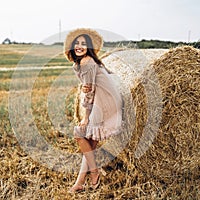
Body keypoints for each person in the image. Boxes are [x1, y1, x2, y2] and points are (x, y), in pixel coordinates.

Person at [64, 28, 123, 193]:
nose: (80, 46)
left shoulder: (87, 62)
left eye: (84, 44)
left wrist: (86, 116)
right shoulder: (86, 62)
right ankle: (81, 182)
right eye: (77, 43)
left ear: (88, 48)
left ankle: (94, 171)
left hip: (103, 101)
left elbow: (89, 90)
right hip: (107, 98)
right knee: (90, 142)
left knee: (79, 133)